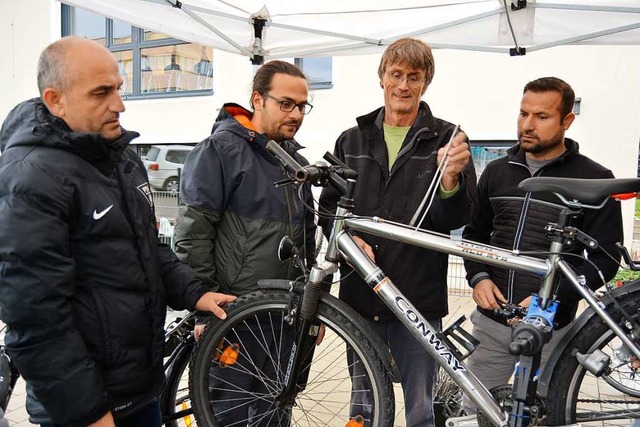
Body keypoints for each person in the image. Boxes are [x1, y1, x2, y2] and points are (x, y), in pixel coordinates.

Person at [0, 36, 235, 427]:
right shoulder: (31, 177)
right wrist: (87, 412)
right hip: (87, 408)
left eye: (119, 89)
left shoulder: (120, 157)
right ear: (55, 99)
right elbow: (35, 316)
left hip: (139, 389)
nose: (120, 104)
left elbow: (146, 247)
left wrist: (195, 292)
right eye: (101, 93)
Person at [319, 38, 477, 427]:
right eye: (396, 75)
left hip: (417, 297)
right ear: (382, 78)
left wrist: (452, 179)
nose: (403, 85)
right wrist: (348, 240)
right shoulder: (351, 139)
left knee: (420, 410)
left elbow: (457, 215)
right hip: (361, 296)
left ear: (426, 83)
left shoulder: (448, 139)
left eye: (414, 77)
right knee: (364, 404)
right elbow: (327, 210)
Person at [461, 77, 623, 413]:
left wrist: (555, 297)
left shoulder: (595, 178)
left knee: (543, 418)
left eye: (541, 117)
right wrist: (478, 277)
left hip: (553, 332)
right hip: (492, 325)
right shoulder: (496, 171)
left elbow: (604, 260)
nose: (527, 125)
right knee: (475, 415)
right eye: (523, 114)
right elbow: (474, 236)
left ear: (567, 120)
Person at [173, 60, 317, 425]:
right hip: (234, 317)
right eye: (286, 103)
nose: (296, 113)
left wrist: (311, 313)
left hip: (284, 319)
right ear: (257, 99)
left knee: (275, 412)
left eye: (302, 106)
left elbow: (307, 243)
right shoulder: (218, 151)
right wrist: (202, 308)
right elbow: (192, 236)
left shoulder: (293, 161)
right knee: (228, 415)